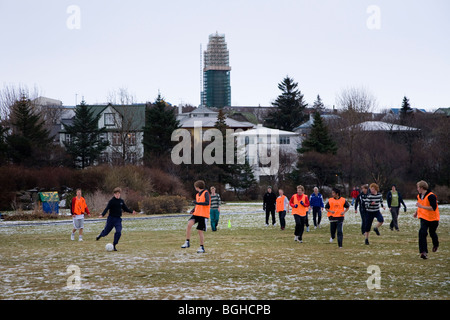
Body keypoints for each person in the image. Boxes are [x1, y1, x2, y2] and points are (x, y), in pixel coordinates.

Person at [181, 180, 211, 253]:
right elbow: (197, 204)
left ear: (197, 187)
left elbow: (207, 203)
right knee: (189, 224)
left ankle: (202, 247)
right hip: (196, 214)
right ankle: (187, 242)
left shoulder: (206, 193)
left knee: (200, 231)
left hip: (203, 215)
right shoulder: (197, 195)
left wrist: (197, 202)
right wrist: (193, 209)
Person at [414, 180, 440, 259]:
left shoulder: (431, 196)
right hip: (424, 218)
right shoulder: (419, 195)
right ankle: (423, 252)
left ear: (422, 188)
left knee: (432, 233)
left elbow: (433, 208)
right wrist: (416, 212)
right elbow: (420, 204)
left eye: (418, 187)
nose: (417, 189)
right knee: (422, 233)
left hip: (433, 219)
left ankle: (436, 244)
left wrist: (421, 207)